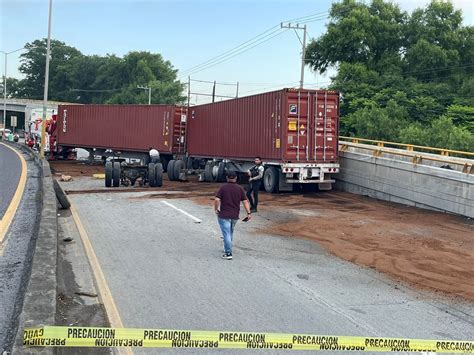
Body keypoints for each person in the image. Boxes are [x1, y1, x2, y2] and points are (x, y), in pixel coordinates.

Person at [215, 170, 252, 260]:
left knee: (226, 233)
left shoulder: (223, 188)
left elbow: (217, 199)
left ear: (227, 177)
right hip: (235, 215)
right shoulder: (240, 188)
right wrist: (248, 213)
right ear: (236, 178)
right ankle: (227, 247)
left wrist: (216, 209)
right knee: (230, 232)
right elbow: (245, 201)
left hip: (224, 214)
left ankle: (228, 253)